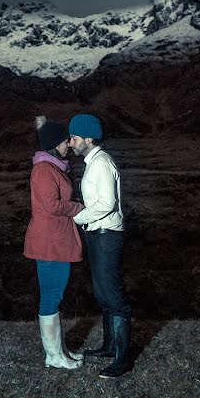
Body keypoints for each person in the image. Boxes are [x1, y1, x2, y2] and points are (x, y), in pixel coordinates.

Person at [68, 113, 133, 379]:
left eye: (74, 137)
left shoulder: (102, 164)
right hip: (99, 235)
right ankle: (109, 347)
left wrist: (77, 217)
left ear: (88, 138)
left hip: (106, 235)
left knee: (114, 297)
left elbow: (107, 203)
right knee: (104, 294)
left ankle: (122, 358)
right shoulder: (93, 162)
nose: (70, 142)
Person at [23, 115, 85, 370]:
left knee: (55, 295)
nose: (68, 144)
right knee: (51, 296)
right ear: (53, 144)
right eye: (63, 141)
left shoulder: (52, 167)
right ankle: (53, 355)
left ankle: (59, 351)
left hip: (55, 240)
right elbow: (52, 205)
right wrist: (79, 207)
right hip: (50, 243)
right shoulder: (44, 170)